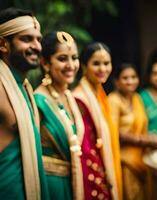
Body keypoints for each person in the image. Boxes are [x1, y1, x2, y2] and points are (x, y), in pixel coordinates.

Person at [0, 7, 49, 200]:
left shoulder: (25, 88)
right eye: (27, 39)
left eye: (38, 39)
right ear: (3, 44)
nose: (37, 46)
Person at [34, 31, 84, 200]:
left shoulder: (68, 95)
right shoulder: (38, 101)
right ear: (45, 63)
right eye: (62, 59)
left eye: (74, 57)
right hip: (51, 186)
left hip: (73, 180)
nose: (71, 65)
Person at [72, 42, 122, 200]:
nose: (103, 69)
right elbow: (86, 147)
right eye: (96, 64)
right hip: (93, 173)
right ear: (85, 66)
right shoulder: (79, 99)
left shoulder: (100, 94)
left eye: (106, 63)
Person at [108, 63, 157, 200]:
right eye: (125, 78)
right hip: (124, 161)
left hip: (141, 158)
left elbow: (143, 127)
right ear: (116, 81)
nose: (130, 81)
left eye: (133, 77)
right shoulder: (113, 100)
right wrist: (144, 140)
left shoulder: (137, 98)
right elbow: (113, 133)